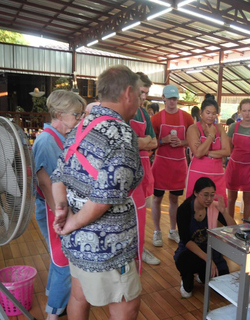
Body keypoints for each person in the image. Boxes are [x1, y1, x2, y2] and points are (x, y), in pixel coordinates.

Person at [52, 65, 144, 320]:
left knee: (79, 296)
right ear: (127, 93)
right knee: (126, 306)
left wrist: (62, 210)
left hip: (77, 243)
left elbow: (58, 175)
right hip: (108, 246)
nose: (139, 100)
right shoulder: (122, 133)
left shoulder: (83, 124)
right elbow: (105, 197)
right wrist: (69, 222)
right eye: (138, 94)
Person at [33, 90, 86, 319]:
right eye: (76, 114)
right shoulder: (46, 140)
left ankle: (53, 298)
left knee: (58, 259)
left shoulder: (62, 137)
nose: (79, 119)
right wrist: (63, 218)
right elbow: (45, 184)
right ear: (59, 115)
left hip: (60, 208)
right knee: (64, 262)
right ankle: (53, 313)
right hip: (53, 209)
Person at [174, 177, 235, 298]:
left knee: (223, 283)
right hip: (190, 252)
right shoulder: (184, 209)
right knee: (187, 292)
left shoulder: (215, 207)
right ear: (196, 193)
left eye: (212, 195)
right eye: (205, 195)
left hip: (210, 250)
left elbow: (233, 228)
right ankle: (187, 277)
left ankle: (203, 275)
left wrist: (224, 212)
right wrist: (208, 259)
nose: (209, 199)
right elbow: (186, 240)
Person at [150, 85, 194, 246]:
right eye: (169, 98)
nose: (172, 101)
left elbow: (193, 139)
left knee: (175, 198)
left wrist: (182, 142)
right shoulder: (156, 119)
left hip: (178, 165)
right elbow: (150, 143)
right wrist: (163, 141)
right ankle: (156, 231)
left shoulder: (187, 118)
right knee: (157, 198)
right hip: (161, 164)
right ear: (163, 98)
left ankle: (173, 230)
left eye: (174, 98)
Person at [129, 72, 160, 266]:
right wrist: (143, 142)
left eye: (146, 93)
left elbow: (154, 142)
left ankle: (140, 247)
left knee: (141, 213)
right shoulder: (122, 111)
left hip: (144, 168)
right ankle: (131, 249)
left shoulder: (144, 114)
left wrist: (142, 142)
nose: (144, 97)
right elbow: (125, 141)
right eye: (141, 92)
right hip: (128, 169)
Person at [186, 98, 230, 204]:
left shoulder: (219, 128)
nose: (211, 116)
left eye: (214, 113)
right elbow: (198, 153)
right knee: (196, 207)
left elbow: (227, 151)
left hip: (217, 175)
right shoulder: (193, 129)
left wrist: (208, 153)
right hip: (198, 174)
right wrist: (210, 135)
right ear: (201, 113)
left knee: (219, 207)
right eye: (208, 112)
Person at [225, 98, 250, 219]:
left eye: (249, 110)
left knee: (248, 200)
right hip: (235, 167)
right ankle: (229, 226)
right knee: (231, 199)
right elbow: (229, 148)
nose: (247, 113)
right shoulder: (234, 127)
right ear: (240, 111)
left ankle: (247, 226)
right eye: (244, 110)